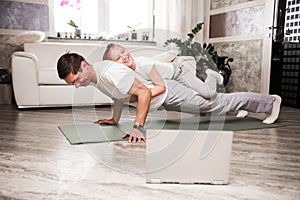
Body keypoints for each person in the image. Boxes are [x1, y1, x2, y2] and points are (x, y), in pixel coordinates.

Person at [57, 53, 282, 143]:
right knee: (212, 108)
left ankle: (270, 102)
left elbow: (143, 93)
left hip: (168, 92)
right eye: (72, 84)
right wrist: (115, 120)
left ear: (84, 66)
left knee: (215, 105)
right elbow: (119, 96)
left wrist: (138, 127)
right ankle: (244, 107)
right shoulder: (97, 77)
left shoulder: (109, 72)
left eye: (76, 79)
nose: (77, 86)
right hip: (164, 95)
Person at [102, 43, 223, 99]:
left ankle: (211, 75)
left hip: (178, 73)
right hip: (169, 79)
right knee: (196, 97)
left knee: (208, 94)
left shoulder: (143, 64)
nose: (123, 56)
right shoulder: (128, 72)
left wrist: (142, 96)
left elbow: (159, 87)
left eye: (123, 52)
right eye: (118, 58)